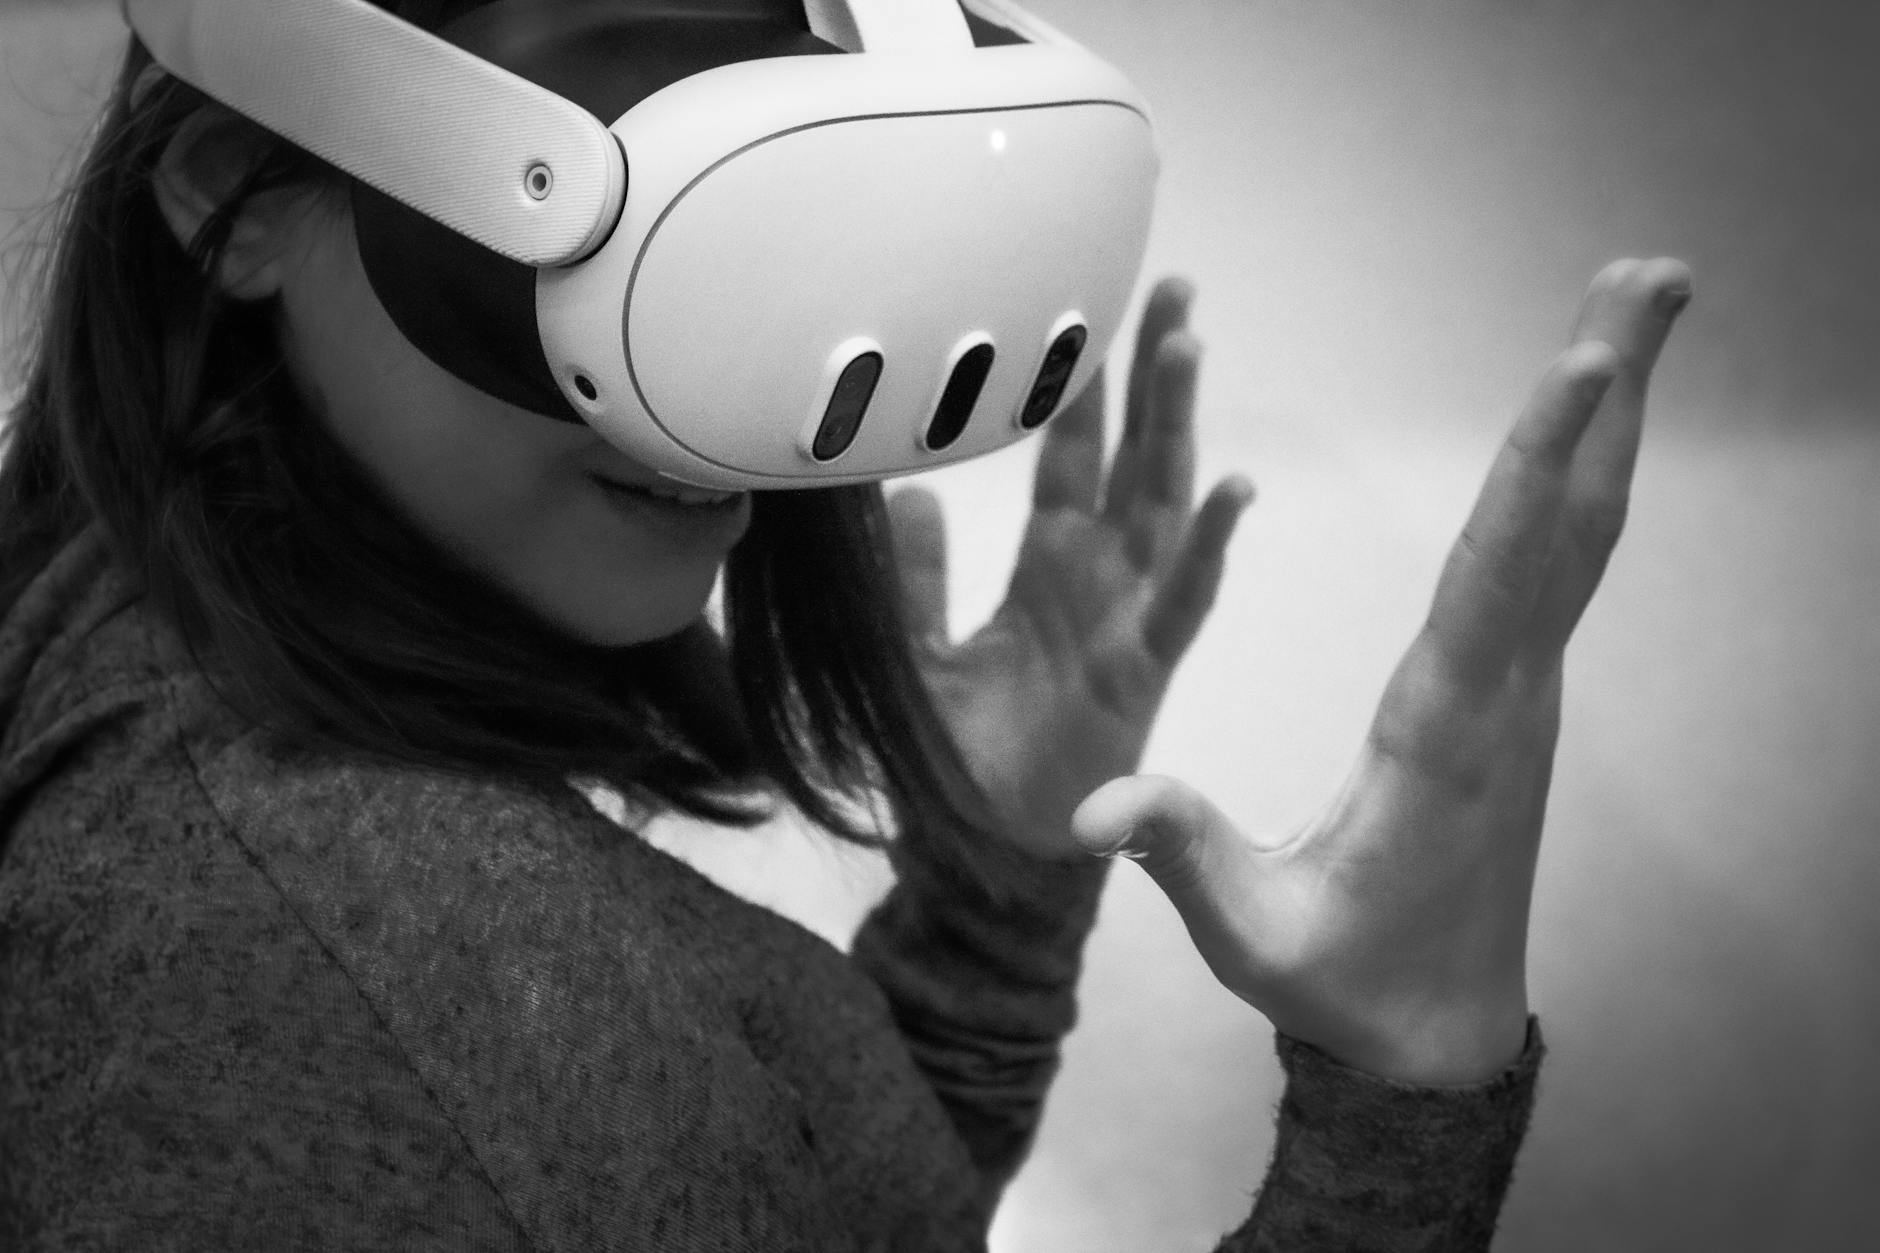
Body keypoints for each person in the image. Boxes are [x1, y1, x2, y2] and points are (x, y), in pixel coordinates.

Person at [0, 2, 1690, 1249]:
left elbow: (799, 1210)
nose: (713, 400)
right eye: (646, 228)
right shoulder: (319, 959)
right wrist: (1398, 1105)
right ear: (243, 197)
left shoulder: (167, 686)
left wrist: (992, 894)